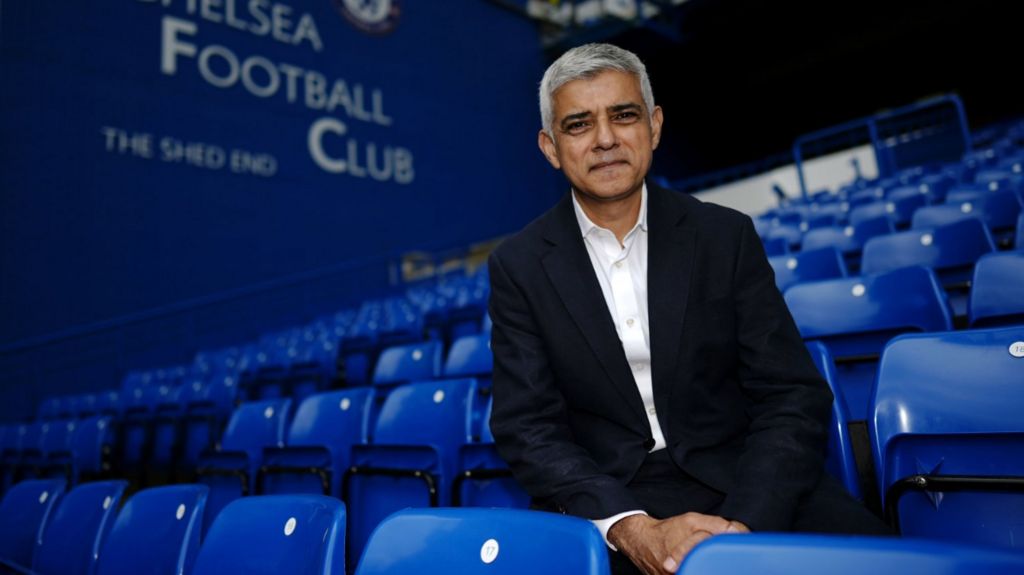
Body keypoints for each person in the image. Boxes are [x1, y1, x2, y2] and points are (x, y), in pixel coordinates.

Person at [487, 43, 889, 575]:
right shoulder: (518, 265)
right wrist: (630, 527)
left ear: (653, 127)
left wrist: (745, 527)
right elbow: (527, 428)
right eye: (579, 124)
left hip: (747, 482)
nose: (605, 139)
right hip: (611, 504)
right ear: (551, 147)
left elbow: (791, 395)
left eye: (623, 115)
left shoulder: (726, 236)